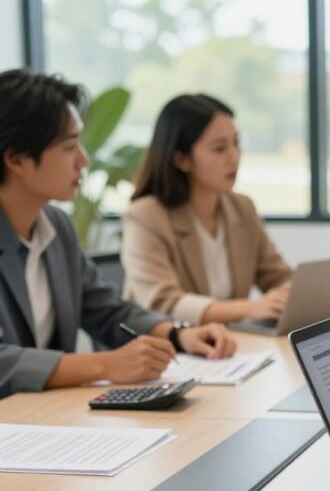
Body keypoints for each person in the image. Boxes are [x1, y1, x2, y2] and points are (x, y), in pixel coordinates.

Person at [0, 70, 236, 399]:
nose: (84, 160)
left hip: (44, 420)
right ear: (16, 159)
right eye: (69, 147)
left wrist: (180, 335)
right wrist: (104, 366)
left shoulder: (55, 227)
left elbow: (107, 310)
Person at [121, 94, 292, 325]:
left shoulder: (242, 207)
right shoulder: (146, 216)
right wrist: (252, 308)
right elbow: (163, 302)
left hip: (231, 348)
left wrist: (294, 294)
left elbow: (278, 276)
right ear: (181, 159)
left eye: (236, 143)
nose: (234, 157)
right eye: (220, 148)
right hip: (169, 350)